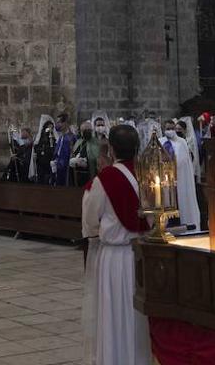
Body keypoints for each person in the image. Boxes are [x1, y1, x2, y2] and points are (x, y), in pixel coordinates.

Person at [82, 124, 150, 365]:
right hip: (140, 255)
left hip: (113, 257)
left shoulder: (105, 179)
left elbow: (91, 219)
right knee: (136, 316)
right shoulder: (147, 173)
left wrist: (95, 233)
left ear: (111, 149)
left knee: (112, 313)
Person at [162, 120, 200, 232]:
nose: (170, 131)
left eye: (172, 128)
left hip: (180, 178)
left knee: (181, 202)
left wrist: (172, 164)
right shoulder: (160, 141)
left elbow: (183, 161)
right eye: (167, 128)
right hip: (165, 180)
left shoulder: (182, 142)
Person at [70, 121, 101, 186]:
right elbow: (73, 154)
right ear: (81, 131)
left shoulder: (96, 143)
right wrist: (73, 160)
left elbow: (98, 158)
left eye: (88, 130)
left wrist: (86, 161)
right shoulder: (78, 142)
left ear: (91, 131)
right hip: (77, 175)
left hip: (90, 174)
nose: (87, 132)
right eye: (84, 130)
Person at [51, 114, 77, 187]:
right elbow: (58, 152)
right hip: (58, 169)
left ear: (65, 123)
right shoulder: (61, 137)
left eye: (59, 122)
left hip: (66, 170)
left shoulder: (71, 138)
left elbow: (70, 155)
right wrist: (55, 161)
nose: (57, 125)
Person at [31, 114, 55, 184]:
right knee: (40, 178)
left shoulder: (53, 136)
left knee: (48, 178)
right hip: (40, 160)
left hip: (49, 160)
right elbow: (36, 145)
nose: (50, 129)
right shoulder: (40, 136)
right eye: (48, 127)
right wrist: (36, 152)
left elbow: (54, 146)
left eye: (51, 127)